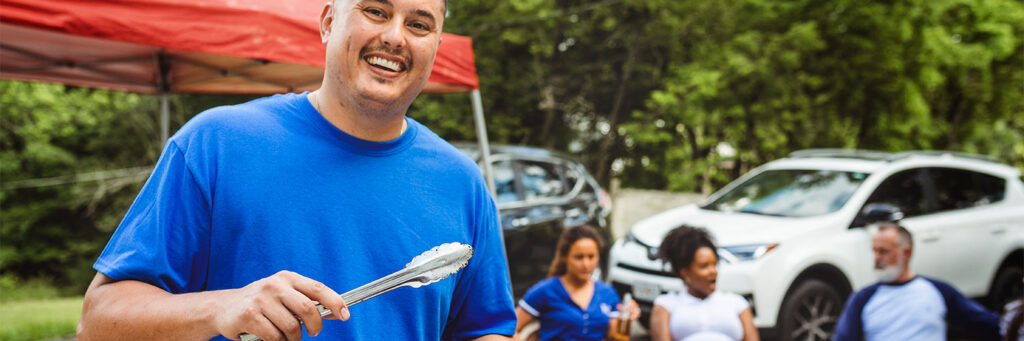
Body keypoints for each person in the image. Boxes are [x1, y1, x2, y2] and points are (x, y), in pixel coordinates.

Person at [75, 0, 517, 340]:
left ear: (436, 45)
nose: (395, 37)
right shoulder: (216, 143)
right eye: (375, 11)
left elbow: (486, 329)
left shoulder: (462, 182)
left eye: (419, 24)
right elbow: (98, 323)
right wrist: (221, 307)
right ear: (328, 22)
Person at [833, 222, 1000, 341]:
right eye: (874, 251)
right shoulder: (862, 299)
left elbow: (991, 325)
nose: (876, 258)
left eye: (883, 251)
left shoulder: (937, 290)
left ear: (906, 253)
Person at [512, 225, 639, 341]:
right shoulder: (545, 290)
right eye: (579, 257)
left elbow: (615, 335)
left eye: (591, 257)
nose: (586, 264)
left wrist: (627, 314)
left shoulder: (607, 292)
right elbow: (510, 327)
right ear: (565, 257)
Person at [650, 225, 759, 341]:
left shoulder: (736, 303)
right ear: (685, 273)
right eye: (704, 266)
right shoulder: (667, 304)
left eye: (714, 264)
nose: (713, 271)